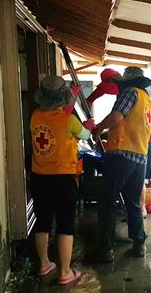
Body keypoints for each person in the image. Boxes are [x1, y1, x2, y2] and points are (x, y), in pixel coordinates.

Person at [30, 75, 94, 285]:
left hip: (39, 178)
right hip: (64, 179)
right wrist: (89, 125)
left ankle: (44, 264)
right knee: (65, 224)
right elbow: (85, 136)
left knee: (43, 222)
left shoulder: (35, 117)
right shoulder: (69, 120)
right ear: (63, 98)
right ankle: (65, 272)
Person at [92, 66, 151, 260]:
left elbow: (115, 117)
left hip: (121, 155)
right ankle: (139, 244)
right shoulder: (149, 102)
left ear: (128, 81)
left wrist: (97, 129)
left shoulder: (130, 92)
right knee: (133, 203)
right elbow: (132, 125)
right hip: (140, 158)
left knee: (107, 200)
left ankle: (105, 249)